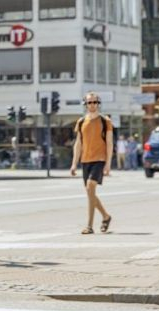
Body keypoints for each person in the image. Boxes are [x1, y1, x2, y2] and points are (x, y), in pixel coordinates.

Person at [70, 91, 113, 235]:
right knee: (90, 193)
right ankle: (106, 216)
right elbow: (78, 143)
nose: (92, 105)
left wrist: (108, 164)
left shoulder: (105, 121)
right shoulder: (81, 122)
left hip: (99, 159)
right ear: (85, 104)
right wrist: (74, 163)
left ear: (98, 104)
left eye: (95, 102)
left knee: (90, 186)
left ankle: (89, 226)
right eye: (89, 102)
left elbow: (109, 143)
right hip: (85, 160)